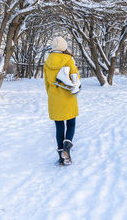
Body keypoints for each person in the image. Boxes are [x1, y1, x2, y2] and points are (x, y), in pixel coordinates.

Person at [44, 36, 81, 165]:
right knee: (71, 124)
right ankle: (67, 147)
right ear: (64, 47)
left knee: (59, 126)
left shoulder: (47, 61)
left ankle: (61, 158)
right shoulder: (68, 59)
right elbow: (76, 77)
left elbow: (47, 84)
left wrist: (51, 95)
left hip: (54, 98)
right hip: (68, 97)